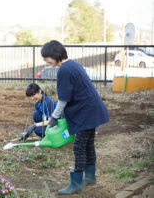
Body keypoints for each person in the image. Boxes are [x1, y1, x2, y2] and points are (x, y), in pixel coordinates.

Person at [41, 40, 109, 195]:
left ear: (55, 54)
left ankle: (77, 183)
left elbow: (63, 99)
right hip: (92, 109)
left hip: (86, 112)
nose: (46, 61)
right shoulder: (73, 64)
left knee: (79, 147)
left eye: (47, 58)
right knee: (88, 144)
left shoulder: (64, 70)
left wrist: (54, 117)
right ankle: (90, 177)